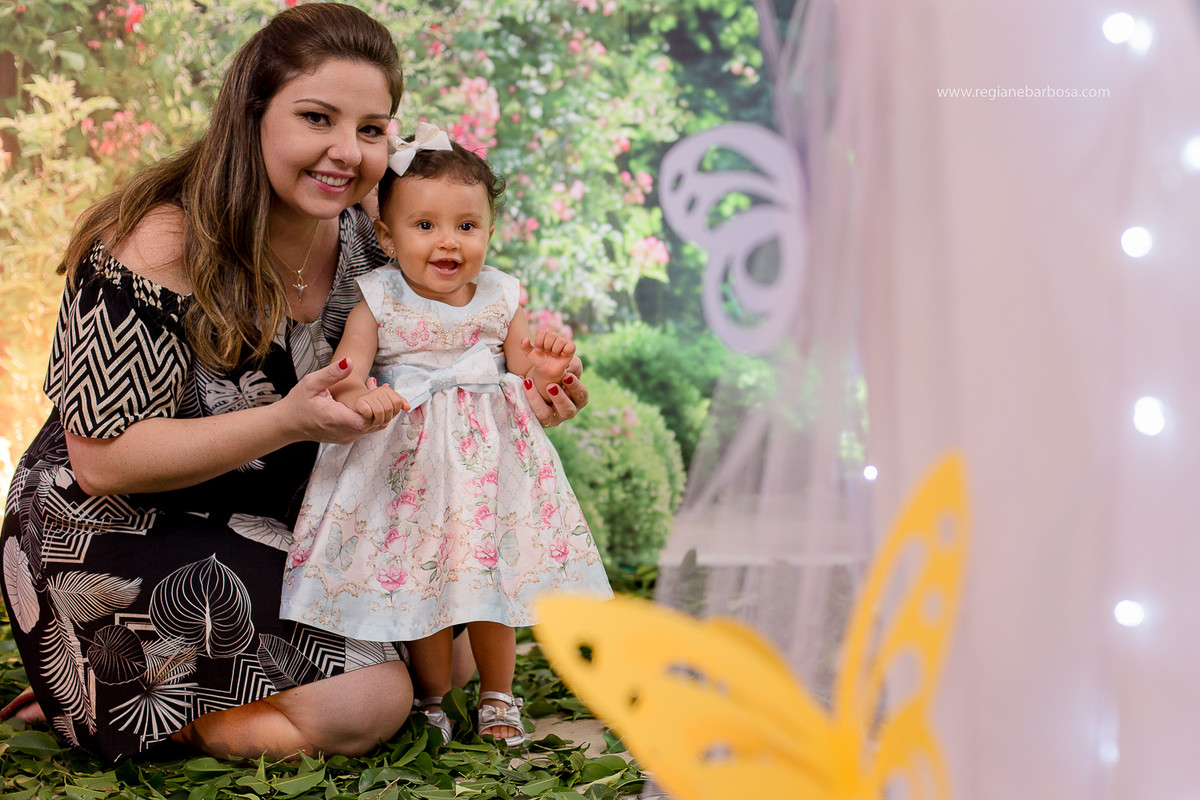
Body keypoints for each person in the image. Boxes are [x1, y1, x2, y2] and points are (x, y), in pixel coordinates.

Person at [0, 3, 586, 762]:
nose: (347, 151)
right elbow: (103, 461)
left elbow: (453, 352)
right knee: (368, 703)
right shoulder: (156, 243)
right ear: (254, 116)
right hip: (111, 522)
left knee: (460, 638)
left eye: (372, 129)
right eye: (317, 118)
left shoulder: (367, 231)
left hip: (272, 508)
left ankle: (196, 681)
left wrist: (532, 390)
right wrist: (286, 420)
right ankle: (128, 697)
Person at [279, 126, 612, 749]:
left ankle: (498, 697)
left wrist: (547, 374)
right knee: (422, 586)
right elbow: (347, 379)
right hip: (409, 469)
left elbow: (526, 382)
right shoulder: (377, 298)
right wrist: (365, 397)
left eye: (467, 226)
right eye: (425, 226)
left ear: (489, 232)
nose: (448, 242)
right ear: (387, 236)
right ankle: (431, 701)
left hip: (489, 470)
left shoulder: (501, 297)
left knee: (490, 587)